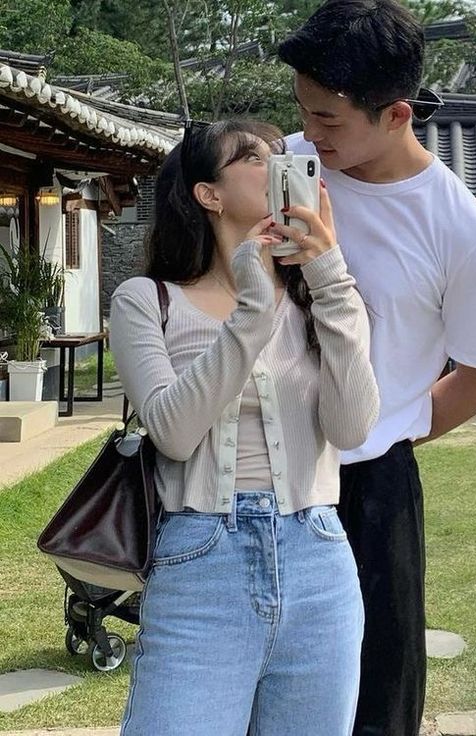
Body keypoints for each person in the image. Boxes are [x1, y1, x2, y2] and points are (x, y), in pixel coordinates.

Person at [278, 3, 476, 734]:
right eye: (304, 112)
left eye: (329, 120)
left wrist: (394, 427)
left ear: (396, 114)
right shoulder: (282, 169)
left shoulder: (462, 230)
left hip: (368, 485)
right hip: (254, 473)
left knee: (377, 693)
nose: (310, 134)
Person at [109, 118, 379, 736]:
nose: (282, 165)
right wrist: (253, 306)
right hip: (201, 560)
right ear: (210, 194)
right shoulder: (146, 301)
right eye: (258, 158)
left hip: (317, 556)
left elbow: (352, 424)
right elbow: (174, 433)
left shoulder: (324, 298)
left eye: (285, 155)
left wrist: (331, 277)